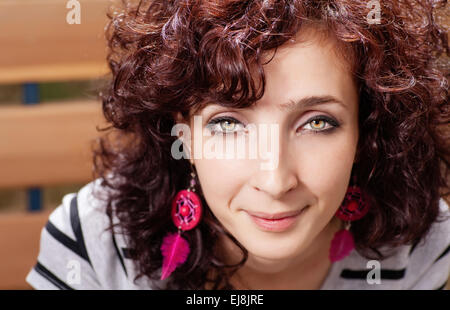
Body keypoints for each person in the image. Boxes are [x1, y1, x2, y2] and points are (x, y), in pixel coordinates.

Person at [26, 0, 450, 290]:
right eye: (228, 123)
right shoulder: (95, 243)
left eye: (317, 122)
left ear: (365, 128)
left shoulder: (421, 242)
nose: (275, 180)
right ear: (185, 136)